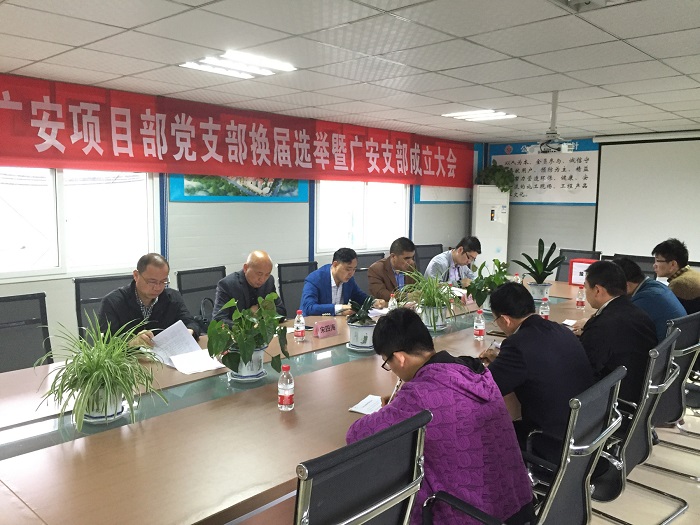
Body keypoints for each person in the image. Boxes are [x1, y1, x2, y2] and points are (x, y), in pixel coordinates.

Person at [347, 308, 533, 525]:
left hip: (474, 517)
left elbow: (356, 435)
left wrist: (396, 406)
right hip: (519, 505)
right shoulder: (473, 371)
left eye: (388, 363)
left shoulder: (418, 395)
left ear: (399, 358)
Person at [479, 282, 594, 464]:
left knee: (483, 429)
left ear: (505, 320)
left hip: (551, 443)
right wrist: (501, 360)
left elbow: (486, 388)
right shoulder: (561, 330)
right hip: (585, 433)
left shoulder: (517, 344)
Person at [579, 261, 657, 404]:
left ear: (597, 290)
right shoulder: (636, 312)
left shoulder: (602, 326)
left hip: (615, 400)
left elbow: (583, 369)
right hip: (640, 391)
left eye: (585, 287)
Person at [98, 253, 200, 347]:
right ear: (136, 275)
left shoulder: (173, 297)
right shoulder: (112, 302)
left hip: (165, 357)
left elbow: (191, 323)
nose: (158, 287)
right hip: (130, 359)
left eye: (163, 281)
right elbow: (107, 342)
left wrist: (189, 331)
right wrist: (131, 342)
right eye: (152, 282)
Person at [613, 256, 686, 341]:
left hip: (662, 347)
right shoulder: (656, 286)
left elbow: (618, 328)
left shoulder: (643, 300)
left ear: (626, 286)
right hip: (677, 343)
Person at [300, 248, 386, 316]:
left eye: (354, 269)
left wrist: (373, 302)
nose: (351, 273)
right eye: (348, 269)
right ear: (335, 265)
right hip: (312, 326)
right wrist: (340, 309)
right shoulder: (315, 279)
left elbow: (358, 296)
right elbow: (309, 308)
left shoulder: (349, 280)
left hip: (338, 324)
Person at [212, 250, 286, 323]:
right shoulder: (227, 285)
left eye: (267, 274)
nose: (262, 279)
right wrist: (248, 316)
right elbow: (218, 320)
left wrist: (260, 311)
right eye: (259, 274)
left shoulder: (269, 281)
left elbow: (281, 312)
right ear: (246, 268)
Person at [652, 238, 700, 314]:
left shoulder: (679, 284)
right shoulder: (693, 274)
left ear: (673, 264)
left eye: (657, 261)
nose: (654, 265)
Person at [367, 237, 416, 302]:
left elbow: (416, 288)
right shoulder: (376, 269)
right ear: (393, 256)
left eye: (412, 257)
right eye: (406, 258)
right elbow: (381, 294)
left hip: (410, 306)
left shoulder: (411, 266)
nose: (410, 261)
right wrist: (406, 296)